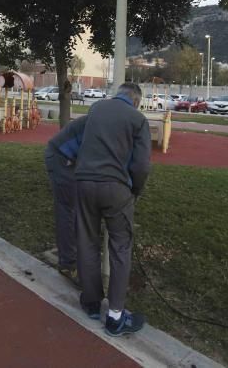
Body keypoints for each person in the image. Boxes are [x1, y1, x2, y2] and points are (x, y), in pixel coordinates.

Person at [74, 82, 151, 336]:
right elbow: (140, 166)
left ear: (118, 93)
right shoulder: (138, 119)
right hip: (116, 189)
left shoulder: (96, 108)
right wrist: (135, 191)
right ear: (137, 100)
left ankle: (92, 302)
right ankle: (116, 317)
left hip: (84, 182)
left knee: (87, 241)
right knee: (120, 248)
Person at [44, 113, 88, 282]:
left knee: (77, 207)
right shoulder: (101, 123)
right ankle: (68, 264)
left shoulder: (105, 116)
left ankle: (78, 255)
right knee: (68, 209)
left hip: (70, 158)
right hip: (61, 158)